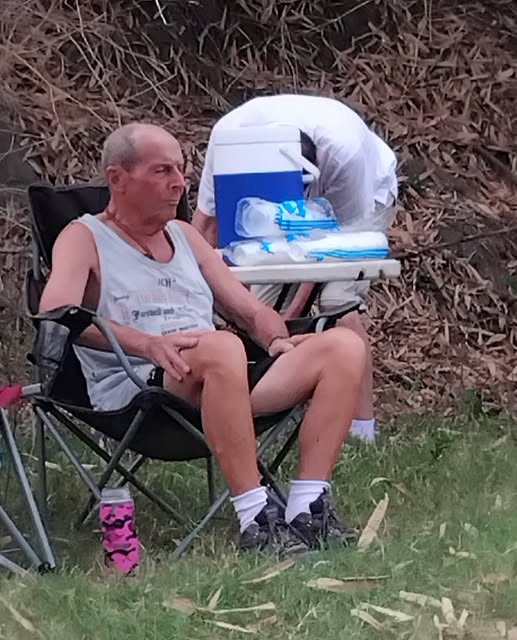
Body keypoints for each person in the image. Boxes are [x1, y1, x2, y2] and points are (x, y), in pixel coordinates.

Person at [39, 122, 367, 555]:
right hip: (140, 388)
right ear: (117, 178)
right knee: (221, 346)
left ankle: (308, 508)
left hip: (219, 376)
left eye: (181, 169)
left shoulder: (185, 235)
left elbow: (249, 311)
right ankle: (256, 519)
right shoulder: (83, 237)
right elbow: (57, 312)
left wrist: (276, 341)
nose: (179, 183)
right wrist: (146, 344)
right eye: (162, 171)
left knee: (343, 346)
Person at [192, 94, 398, 444]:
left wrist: (289, 313)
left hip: (363, 196)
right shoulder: (227, 140)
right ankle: (262, 416)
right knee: (261, 304)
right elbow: (204, 228)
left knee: (337, 303)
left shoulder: (345, 154)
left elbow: (325, 250)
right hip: (267, 205)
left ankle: (361, 430)